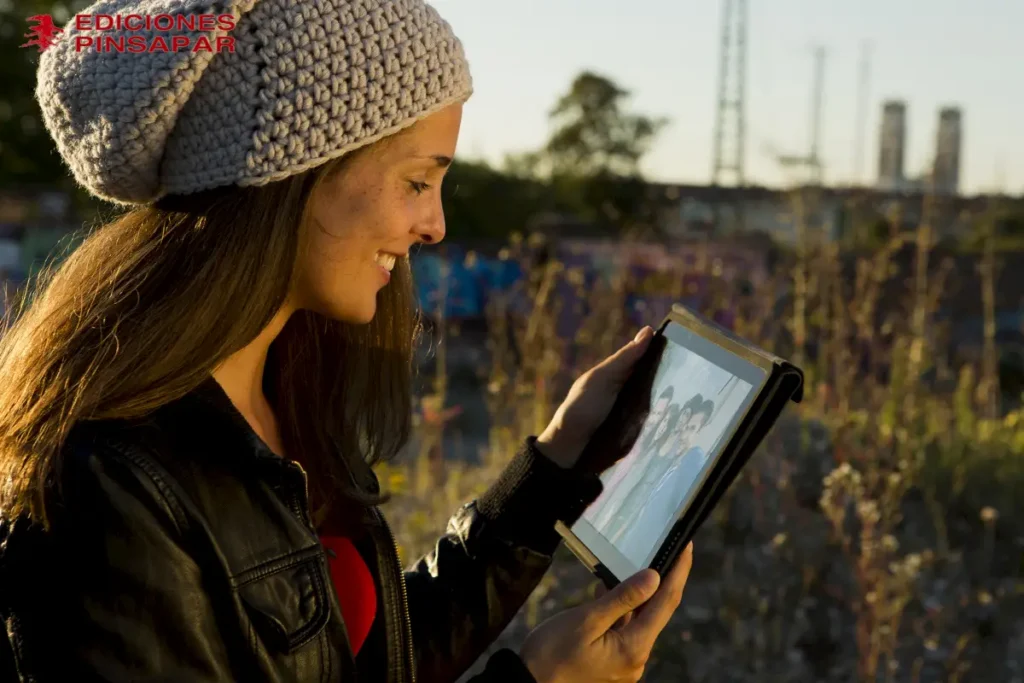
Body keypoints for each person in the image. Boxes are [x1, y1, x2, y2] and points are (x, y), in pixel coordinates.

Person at [0, 1, 694, 682]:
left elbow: (361, 656)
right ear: (293, 173)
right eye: (417, 181)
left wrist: (556, 462)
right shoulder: (107, 480)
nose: (436, 226)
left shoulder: (281, 396)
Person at [617, 399, 715, 564]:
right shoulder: (675, 464)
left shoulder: (694, 459)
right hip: (629, 554)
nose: (684, 434)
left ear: (701, 433)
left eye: (692, 429)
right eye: (685, 427)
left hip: (642, 561)